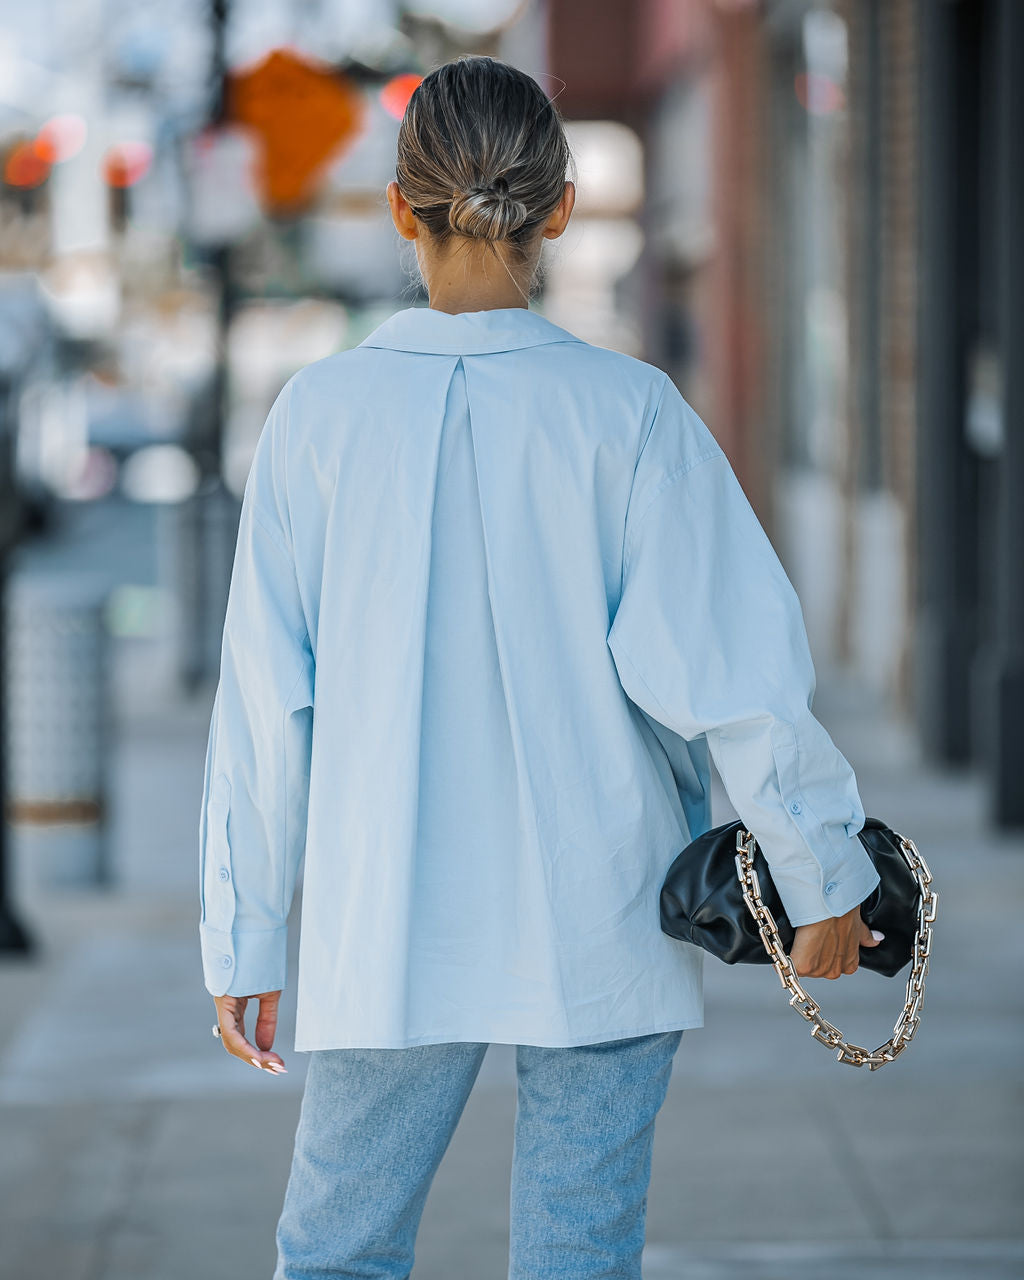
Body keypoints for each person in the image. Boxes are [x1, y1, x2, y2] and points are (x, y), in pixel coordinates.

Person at [198, 54, 883, 1280]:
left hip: (386, 916)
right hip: (600, 907)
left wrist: (244, 935)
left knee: (339, 1252)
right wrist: (820, 867)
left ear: (399, 208)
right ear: (559, 207)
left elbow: (265, 707)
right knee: (579, 1250)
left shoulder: (316, 418)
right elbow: (733, 671)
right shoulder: (630, 414)